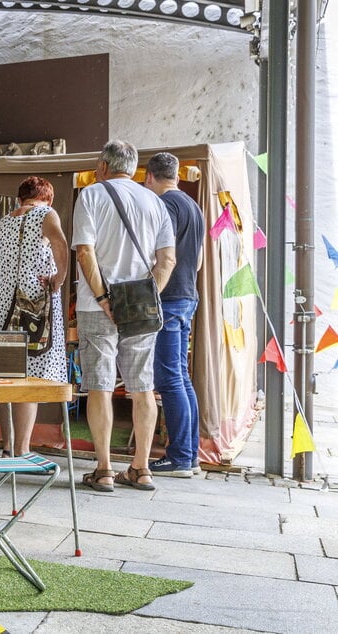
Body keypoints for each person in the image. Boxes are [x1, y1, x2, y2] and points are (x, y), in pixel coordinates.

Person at [72, 140, 175, 492]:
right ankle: (141, 468)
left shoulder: (91, 195)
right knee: (142, 385)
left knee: (100, 385)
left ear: (102, 165)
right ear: (135, 169)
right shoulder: (155, 202)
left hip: (94, 305)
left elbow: (85, 251)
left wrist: (103, 297)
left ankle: (103, 471)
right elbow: (167, 260)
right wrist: (146, 297)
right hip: (141, 307)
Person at [0, 176, 69, 457]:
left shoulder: (3, 222)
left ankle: (7, 446)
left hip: (2, 305)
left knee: (4, 376)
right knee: (29, 378)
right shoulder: (46, 213)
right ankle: (22, 449)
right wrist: (60, 277)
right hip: (35, 307)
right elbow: (60, 242)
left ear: (20, 198)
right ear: (47, 197)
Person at [144, 152, 205, 477]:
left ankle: (180, 457)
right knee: (180, 376)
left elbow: (160, 256)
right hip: (187, 295)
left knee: (168, 378)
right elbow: (196, 262)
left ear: (150, 177)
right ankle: (189, 455)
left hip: (167, 298)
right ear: (177, 175)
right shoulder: (194, 207)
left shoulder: (165, 206)